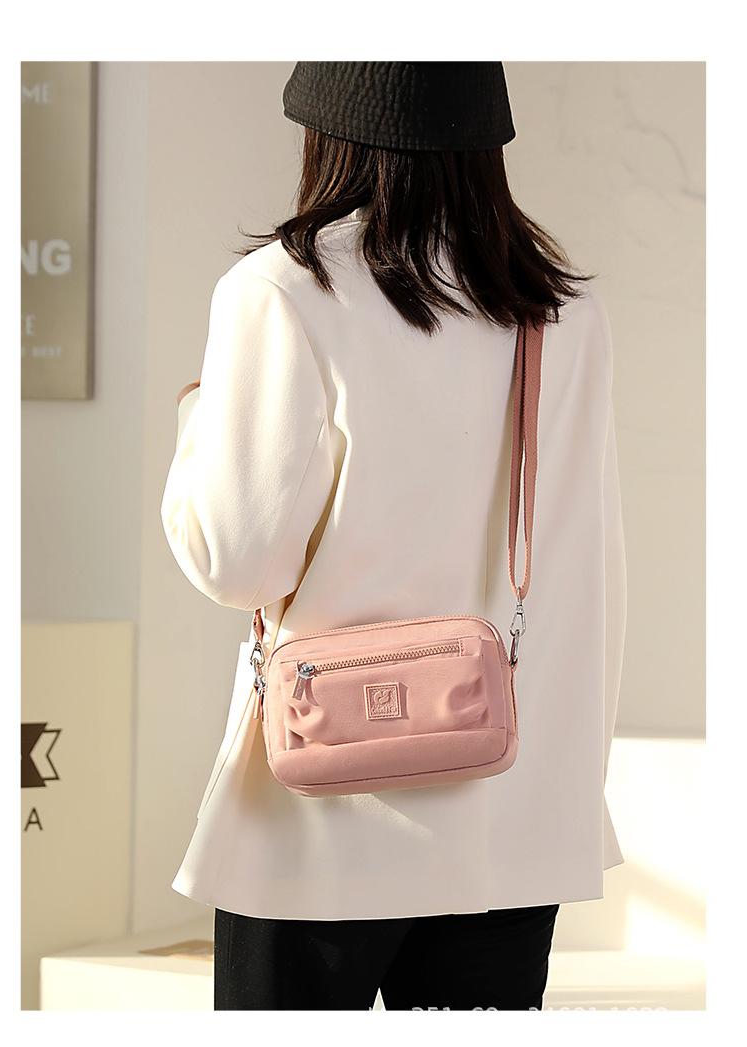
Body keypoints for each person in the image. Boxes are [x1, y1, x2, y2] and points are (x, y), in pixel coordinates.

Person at [160, 61, 627, 1011]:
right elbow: (590, 576)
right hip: (510, 812)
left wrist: (198, 420)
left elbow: (234, 557)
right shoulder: (559, 311)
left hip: (323, 812)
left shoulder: (285, 290)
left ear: (328, 134)